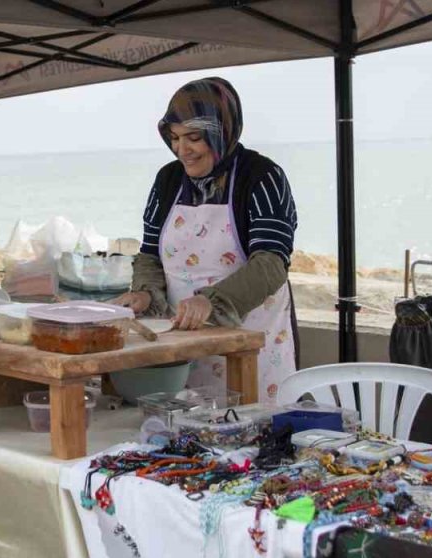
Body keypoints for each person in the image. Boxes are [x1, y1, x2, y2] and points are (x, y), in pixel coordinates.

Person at [112, 78, 298, 403]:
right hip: (183, 342)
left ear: (221, 132)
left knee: (250, 435)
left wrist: (212, 301)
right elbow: (150, 254)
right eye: (174, 138)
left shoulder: (262, 177)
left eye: (193, 138)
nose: (181, 150)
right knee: (187, 438)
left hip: (251, 342)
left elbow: (271, 263)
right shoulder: (168, 179)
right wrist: (145, 292)